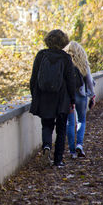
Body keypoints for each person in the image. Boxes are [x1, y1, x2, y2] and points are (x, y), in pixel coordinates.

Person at [29, 29, 76, 168]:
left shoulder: (41, 55)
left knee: (47, 125)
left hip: (45, 97)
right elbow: (70, 81)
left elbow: (33, 79)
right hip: (62, 99)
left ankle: (47, 147)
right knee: (61, 130)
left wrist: (35, 95)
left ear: (48, 40)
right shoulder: (66, 58)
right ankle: (58, 160)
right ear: (64, 42)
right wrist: (72, 100)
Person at [65, 41, 95, 159]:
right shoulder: (83, 63)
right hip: (81, 95)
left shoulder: (66, 62)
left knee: (70, 123)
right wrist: (92, 95)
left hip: (69, 96)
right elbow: (89, 80)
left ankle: (72, 151)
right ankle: (79, 145)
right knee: (82, 120)